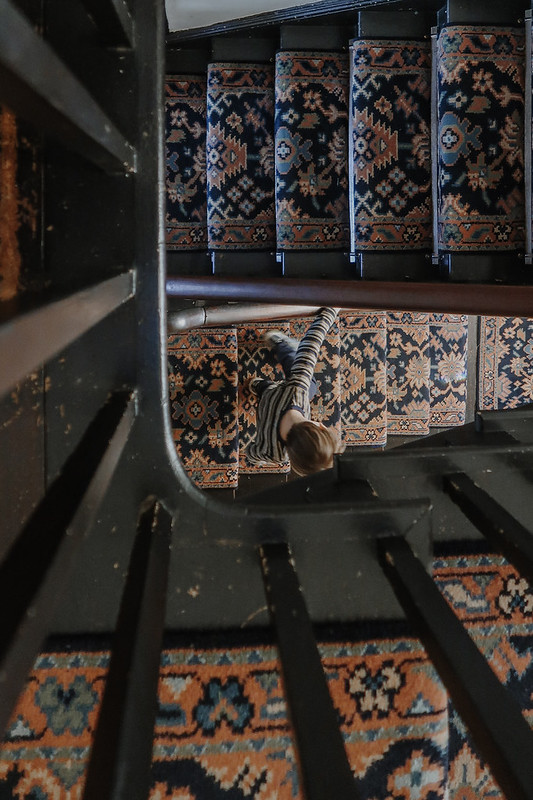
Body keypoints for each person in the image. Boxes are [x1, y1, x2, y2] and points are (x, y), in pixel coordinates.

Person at [246, 306, 344, 476]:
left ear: (320, 426)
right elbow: (252, 453)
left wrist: (330, 311)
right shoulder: (276, 455)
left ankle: (282, 345)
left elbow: (311, 345)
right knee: (267, 390)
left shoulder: (299, 389)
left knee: (310, 381)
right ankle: (256, 385)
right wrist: (256, 459)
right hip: (265, 404)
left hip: (281, 393)